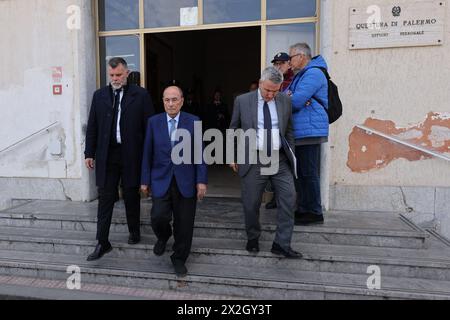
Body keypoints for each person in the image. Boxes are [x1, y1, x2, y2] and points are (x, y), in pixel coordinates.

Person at [84, 57, 154, 261]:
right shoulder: (99, 96)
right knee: (105, 198)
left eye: (118, 75)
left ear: (126, 73)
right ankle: (102, 242)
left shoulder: (140, 95)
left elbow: (150, 128)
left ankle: (134, 231)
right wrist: (89, 153)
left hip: (132, 154)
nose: (114, 78)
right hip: (107, 155)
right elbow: (93, 127)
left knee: (131, 195)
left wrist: (149, 158)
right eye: (111, 75)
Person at [229, 67, 302, 259]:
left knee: (288, 199)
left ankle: (281, 244)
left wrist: (291, 155)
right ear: (260, 83)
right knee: (251, 204)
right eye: (267, 90)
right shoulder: (243, 101)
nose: (270, 95)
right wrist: (232, 154)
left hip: (280, 159)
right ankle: (253, 237)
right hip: (254, 159)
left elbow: (289, 130)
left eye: (275, 91)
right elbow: (233, 128)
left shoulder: (285, 100)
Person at [140, 86, 208, 277]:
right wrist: (145, 180)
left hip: (186, 180)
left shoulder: (193, 121)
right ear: (162, 101)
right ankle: (163, 236)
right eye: (167, 100)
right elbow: (147, 152)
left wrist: (201, 180)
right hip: (160, 179)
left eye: (174, 99)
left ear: (182, 101)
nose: (170, 103)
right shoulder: (153, 122)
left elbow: (200, 153)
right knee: (158, 216)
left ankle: (179, 258)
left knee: (184, 223)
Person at [287, 43, 329, 225]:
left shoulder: (313, 73)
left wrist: (291, 97)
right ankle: (303, 209)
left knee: (309, 172)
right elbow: (287, 95)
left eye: (291, 57)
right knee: (302, 172)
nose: (289, 61)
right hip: (303, 129)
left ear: (302, 56)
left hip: (309, 130)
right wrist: (290, 97)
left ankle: (314, 212)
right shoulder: (301, 75)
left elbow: (295, 101)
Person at [265, 52, 296, 210]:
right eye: (275, 64)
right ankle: (275, 198)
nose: (278, 66)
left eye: (281, 63)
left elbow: (293, 101)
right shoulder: (271, 81)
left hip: (285, 132)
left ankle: (285, 201)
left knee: (285, 168)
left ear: (289, 64)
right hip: (271, 131)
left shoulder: (293, 80)